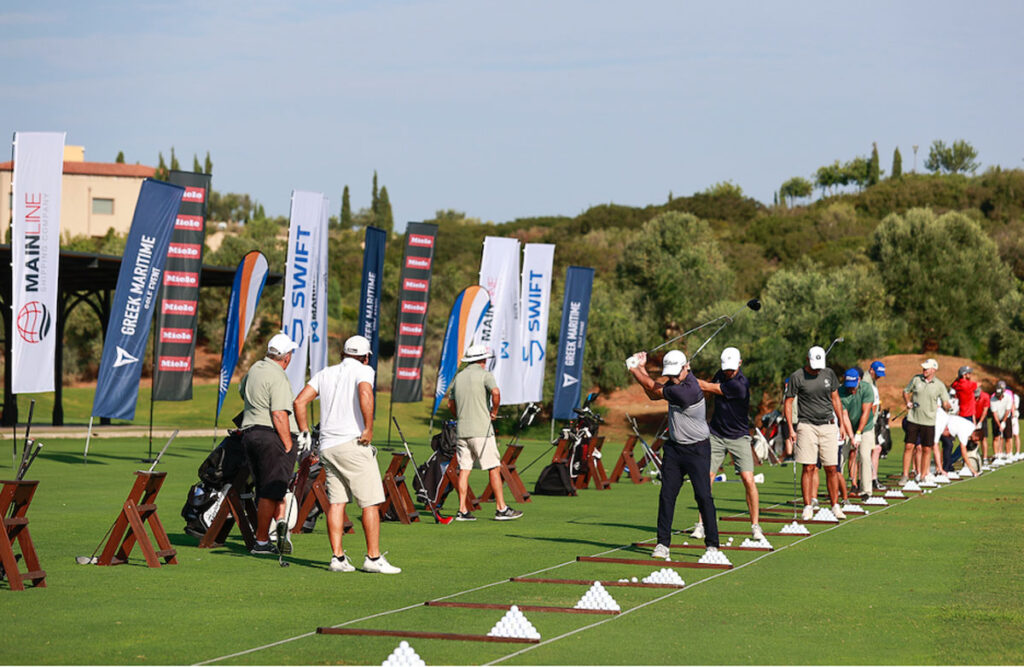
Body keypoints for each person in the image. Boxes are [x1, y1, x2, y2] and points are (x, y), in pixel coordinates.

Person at [293, 335, 400, 574]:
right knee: (371, 502)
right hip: (352, 444)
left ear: (343, 354)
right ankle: (372, 558)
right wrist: (369, 427)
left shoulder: (325, 373)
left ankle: (338, 558)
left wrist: (303, 431)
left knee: (337, 503)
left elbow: (299, 402)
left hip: (328, 447)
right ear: (366, 357)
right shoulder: (365, 371)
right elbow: (365, 394)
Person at [628, 349, 719, 559]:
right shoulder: (677, 382)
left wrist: (634, 368)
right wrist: (642, 367)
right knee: (667, 496)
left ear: (686, 368)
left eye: (676, 374)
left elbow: (653, 388)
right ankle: (662, 544)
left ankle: (712, 545)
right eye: (670, 375)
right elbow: (653, 393)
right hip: (675, 449)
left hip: (697, 449)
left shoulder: (688, 390)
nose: (673, 378)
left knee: (703, 496)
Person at [239, 333, 301, 556]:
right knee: (271, 490)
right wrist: (287, 444)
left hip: (250, 433)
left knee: (270, 486)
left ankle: (279, 523)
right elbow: (279, 414)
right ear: (285, 357)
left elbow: (241, 392)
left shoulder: (256, 368)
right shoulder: (278, 377)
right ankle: (262, 541)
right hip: (270, 436)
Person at [447, 344, 523, 522]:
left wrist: (460, 415)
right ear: (482, 359)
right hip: (481, 430)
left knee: (464, 470)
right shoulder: (485, 375)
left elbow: (450, 404)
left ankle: (462, 510)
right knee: (494, 467)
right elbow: (496, 393)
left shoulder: (459, 377)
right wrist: (494, 412)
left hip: (462, 430)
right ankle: (501, 508)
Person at [693, 346, 762, 541]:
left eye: (732, 368)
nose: (728, 372)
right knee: (707, 479)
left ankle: (755, 526)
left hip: (739, 437)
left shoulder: (740, 384)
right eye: (726, 368)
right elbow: (706, 389)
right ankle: (700, 524)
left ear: (740, 364)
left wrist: (686, 373)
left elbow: (707, 387)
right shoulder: (721, 374)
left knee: (748, 480)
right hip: (715, 435)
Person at [784, 346, 853, 521]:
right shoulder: (797, 377)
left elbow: (835, 399)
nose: (817, 369)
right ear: (807, 359)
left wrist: (842, 424)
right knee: (808, 467)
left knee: (832, 468)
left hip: (828, 425)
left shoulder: (829, 374)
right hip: (806, 426)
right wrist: (791, 429)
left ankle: (835, 506)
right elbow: (788, 402)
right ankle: (808, 506)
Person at [900, 358, 951, 485]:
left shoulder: (939, 385)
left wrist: (947, 406)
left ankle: (923, 475)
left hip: (929, 421)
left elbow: (945, 401)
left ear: (934, 370)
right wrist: (908, 402)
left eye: (927, 368)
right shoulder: (916, 379)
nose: (924, 370)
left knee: (927, 449)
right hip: (913, 418)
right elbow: (906, 392)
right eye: (923, 368)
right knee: (909, 446)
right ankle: (905, 475)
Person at [839, 368, 876, 499]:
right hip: (847, 427)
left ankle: (866, 491)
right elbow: (844, 416)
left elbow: (866, 413)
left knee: (864, 456)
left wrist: (859, 433)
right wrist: (851, 436)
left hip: (865, 427)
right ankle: (838, 489)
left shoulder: (867, 389)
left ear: (859, 380)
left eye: (853, 386)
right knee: (840, 457)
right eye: (849, 387)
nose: (851, 390)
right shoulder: (840, 391)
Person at [863, 361, 887, 490]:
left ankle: (872, 479)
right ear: (871, 370)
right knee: (870, 451)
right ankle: (869, 480)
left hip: (872, 422)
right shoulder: (867, 381)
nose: (879, 376)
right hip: (868, 423)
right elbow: (869, 404)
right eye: (877, 373)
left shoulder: (872, 380)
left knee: (875, 449)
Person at [990, 381, 1014, 461]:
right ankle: (997, 455)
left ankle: (1008, 454)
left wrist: (1003, 422)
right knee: (996, 437)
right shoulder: (993, 399)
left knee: (1008, 437)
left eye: (1000, 396)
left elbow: (1008, 411)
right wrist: (999, 424)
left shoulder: (1008, 397)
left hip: (1006, 417)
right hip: (996, 418)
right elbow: (994, 413)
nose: (998, 397)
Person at [974, 387, 991, 462]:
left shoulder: (985, 396)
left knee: (983, 438)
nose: (976, 397)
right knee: (975, 438)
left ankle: (985, 458)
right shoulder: (971, 396)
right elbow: (972, 410)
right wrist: (974, 423)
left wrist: (980, 422)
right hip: (974, 417)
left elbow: (985, 411)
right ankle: (976, 456)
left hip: (982, 418)